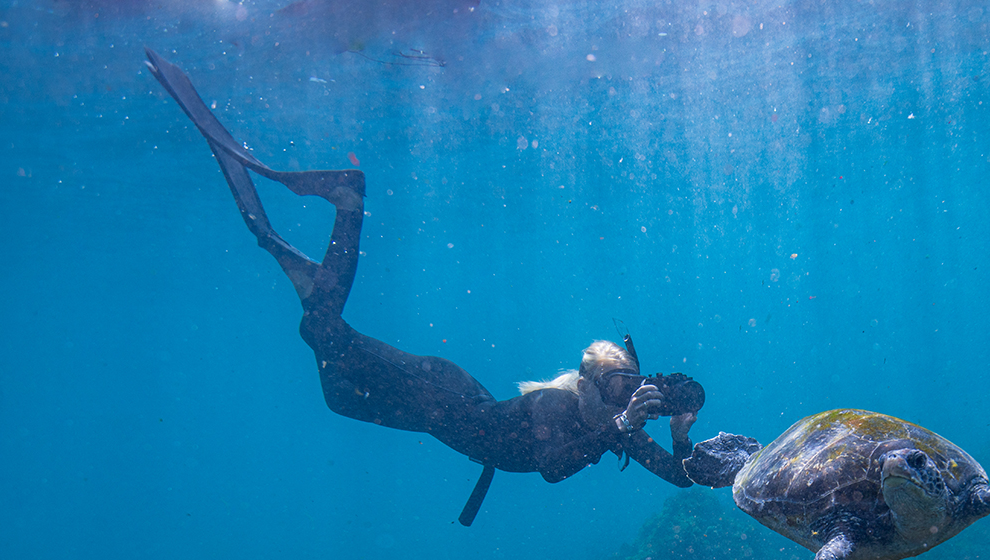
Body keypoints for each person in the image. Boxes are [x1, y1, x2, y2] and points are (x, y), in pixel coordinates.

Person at [144, 50, 700, 524]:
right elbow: (553, 469)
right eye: (615, 386)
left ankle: (304, 267)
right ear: (587, 384)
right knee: (323, 332)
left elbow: (679, 479)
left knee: (337, 392)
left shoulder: (613, 429)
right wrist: (622, 425)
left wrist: (679, 433)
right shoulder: (559, 407)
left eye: (630, 387)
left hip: (446, 412)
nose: (624, 398)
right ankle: (345, 201)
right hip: (441, 396)